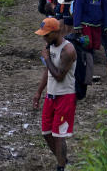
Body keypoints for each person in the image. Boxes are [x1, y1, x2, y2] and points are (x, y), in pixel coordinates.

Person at [32, 17, 75, 171]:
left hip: (65, 96)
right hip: (51, 95)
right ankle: (62, 159)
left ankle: (61, 166)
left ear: (57, 32)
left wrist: (47, 58)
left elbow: (58, 75)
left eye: (47, 35)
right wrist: (38, 92)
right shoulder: (49, 47)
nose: (44, 38)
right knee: (46, 132)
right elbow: (48, 71)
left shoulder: (68, 50)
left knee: (59, 135)